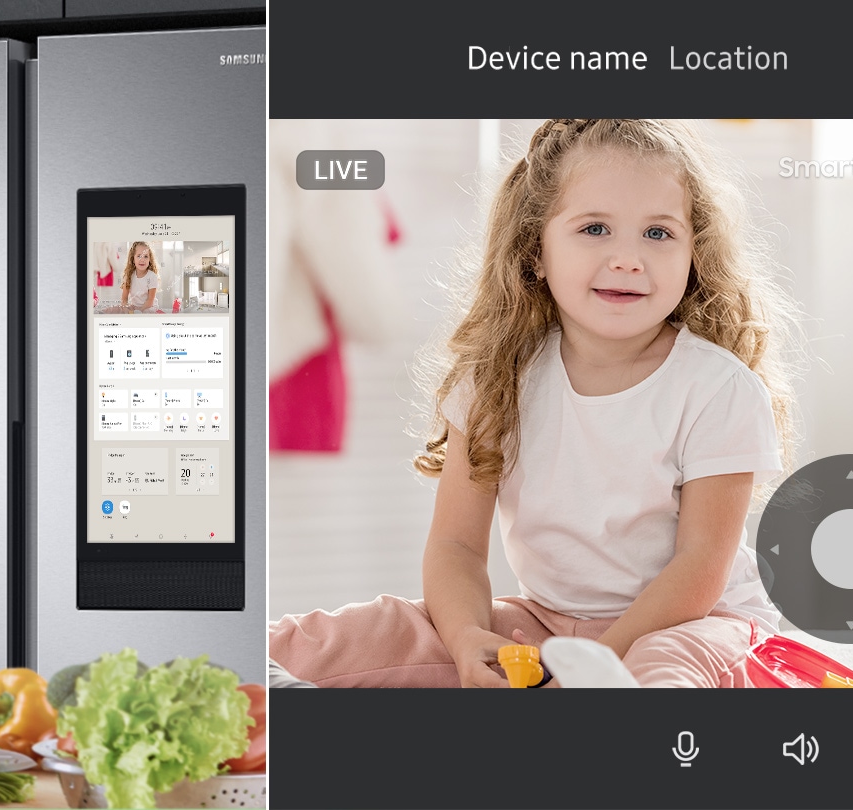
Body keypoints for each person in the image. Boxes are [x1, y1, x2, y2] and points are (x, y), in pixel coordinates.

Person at [269, 119, 804, 688]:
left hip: (694, 623)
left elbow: (700, 571)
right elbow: (456, 546)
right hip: (545, 622)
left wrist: (591, 666)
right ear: (536, 252)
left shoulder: (719, 389)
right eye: (595, 228)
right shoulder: (496, 379)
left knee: (664, 673)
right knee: (343, 636)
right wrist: (467, 637)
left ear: (694, 252)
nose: (628, 258)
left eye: (659, 233)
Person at [114, 241, 160, 313]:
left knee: (146, 312)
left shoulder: (152, 276)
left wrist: (140, 311)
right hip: (134, 306)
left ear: (149, 259)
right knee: (116, 309)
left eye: (146, 256)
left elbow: (150, 301)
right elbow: (124, 299)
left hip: (149, 307)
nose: (142, 259)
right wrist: (125, 308)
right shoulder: (129, 275)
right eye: (139, 256)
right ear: (133, 259)